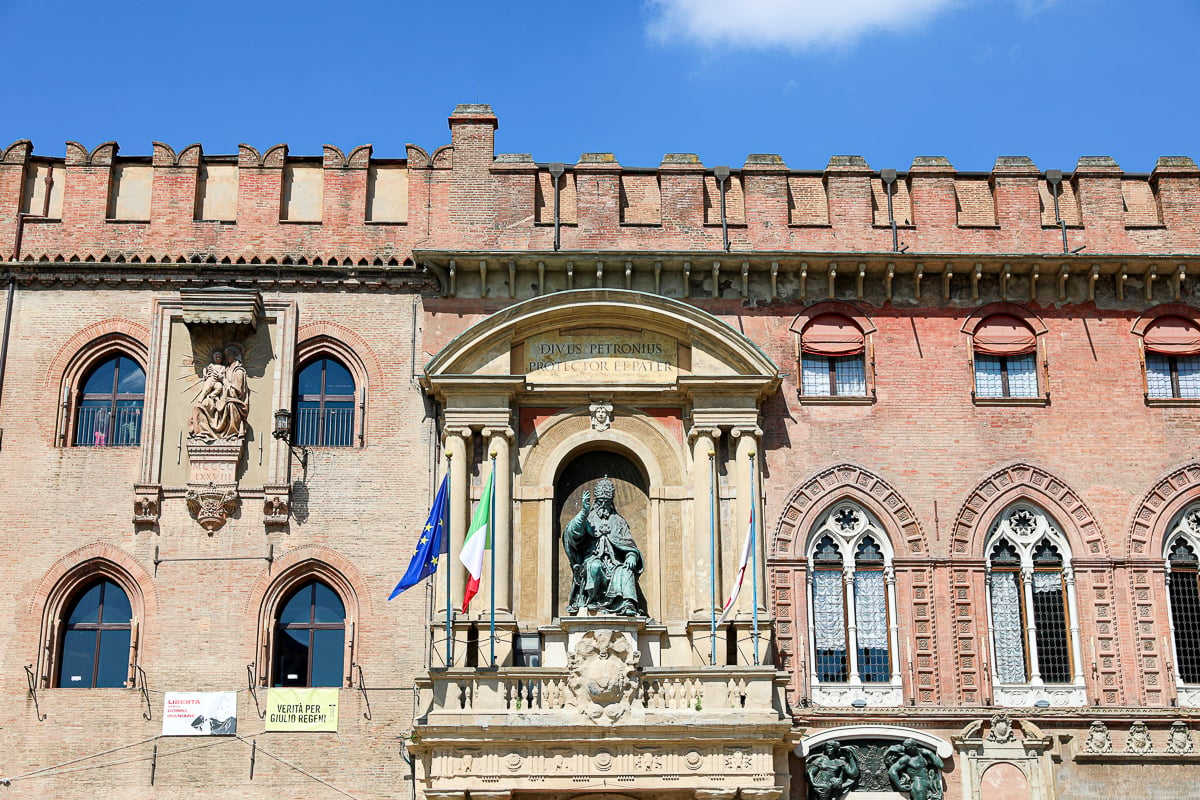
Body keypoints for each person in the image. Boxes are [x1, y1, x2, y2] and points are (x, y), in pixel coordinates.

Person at [562, 478, 645, 616]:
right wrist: (584, 511)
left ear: (611, 502)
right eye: (601, 502)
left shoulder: (619, 521)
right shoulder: (588, 518)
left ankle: (627, 605)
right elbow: (573, 533)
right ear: (596, 502)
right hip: (592, 559)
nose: (603, 505)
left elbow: (630, 544)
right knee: (595, 567)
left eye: (606, 502)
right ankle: (592, 601)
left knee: (626, 571)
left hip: (615, 563)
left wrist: (631, 556)